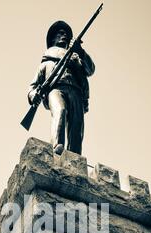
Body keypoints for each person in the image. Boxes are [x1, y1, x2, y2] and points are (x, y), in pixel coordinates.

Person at [28, 21, 95, 155]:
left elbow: (90, 69)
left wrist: (80, 51)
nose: (64, 35)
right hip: (56, 90)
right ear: (53, 38)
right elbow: (33, 85)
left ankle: (75, 155)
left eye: (66, 34)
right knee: (60, 110)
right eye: (60, 33)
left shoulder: (76, 57)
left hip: (76, 91)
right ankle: (57, 147)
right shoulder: (47, 62)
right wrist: (33, 94)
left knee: (77, 123)